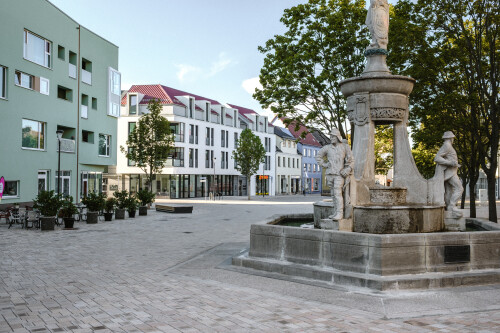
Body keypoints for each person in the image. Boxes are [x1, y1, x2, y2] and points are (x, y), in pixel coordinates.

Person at [316, 129, 354, 220]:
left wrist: (348, 169)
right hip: (330, 174)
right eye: (330, 136)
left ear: (337, 137)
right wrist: (324, 164)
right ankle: (335, 212)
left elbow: (352, 160)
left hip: (339, 174)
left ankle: (340, 213)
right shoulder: (327, 148)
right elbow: (318, 156)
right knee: (333, 194)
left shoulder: (344, 147)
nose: (331, 138)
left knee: (337, 193)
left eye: (333, 136)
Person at [434, 131, 463, 217]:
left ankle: (448, 209)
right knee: (459, 188)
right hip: (450, 173)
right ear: (450, 138)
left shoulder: (448, 146)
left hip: (451, 172)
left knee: (449, 191)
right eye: (452, 138)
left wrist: (454, 163)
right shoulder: (447, 146)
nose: (453, 139)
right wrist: (450, 163)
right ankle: (452, 205)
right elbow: (437, 158)